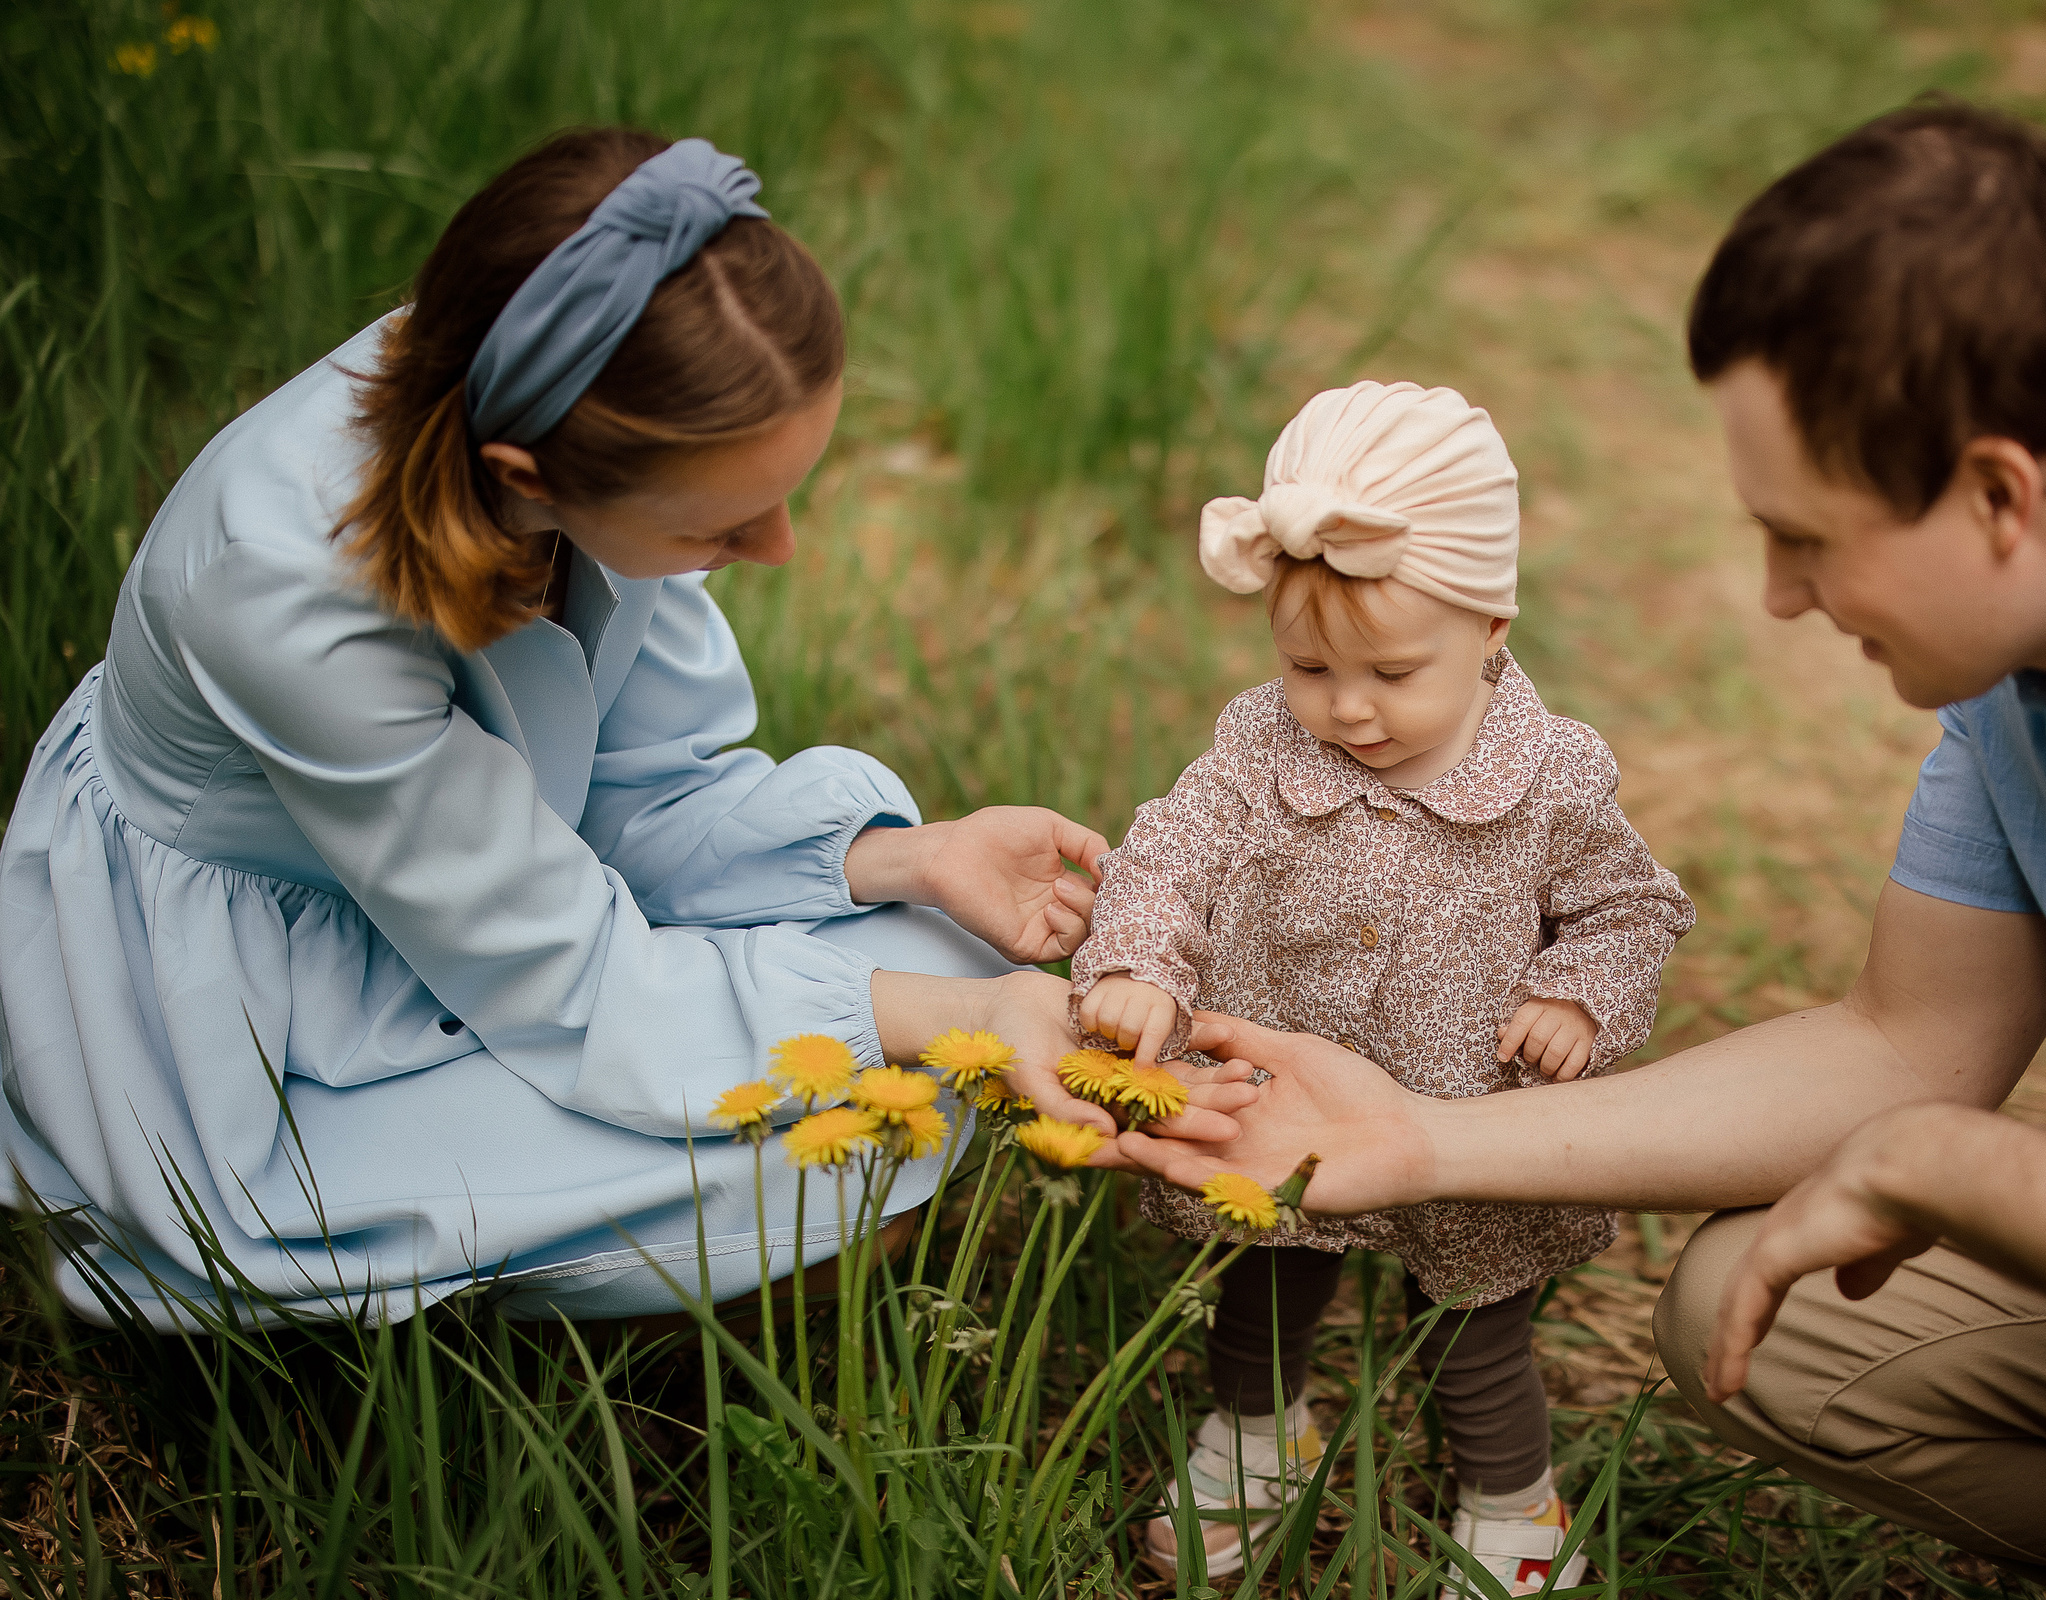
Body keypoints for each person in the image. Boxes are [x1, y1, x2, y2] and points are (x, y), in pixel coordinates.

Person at [1115, 102, 2046, 1600]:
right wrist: (1429, 1141)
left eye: (1806, 538)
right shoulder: (2045, 623)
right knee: (1769, 1312)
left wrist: (1945, 1163)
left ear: (1997, 493)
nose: (1780, 596)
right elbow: (1905, 1043)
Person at [0, 128, 1244, 1331]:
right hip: (262, 1009)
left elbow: (630, 793)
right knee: (848, 1133)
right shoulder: (290, 602)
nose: (774, 550)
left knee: (947, 950)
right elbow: (574, 984)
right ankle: (550, 1295)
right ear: (530, 478)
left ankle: (668, 1237)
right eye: (722, 524)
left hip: (491, 910)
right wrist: (947, 1020)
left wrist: (900, 860)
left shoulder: (572, 399)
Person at [1070, 381, 1692, 1600]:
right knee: (1267, 1271)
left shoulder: (1551, 776)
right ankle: (1259, 1436)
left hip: (1469, 1113)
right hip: (1283, 1096)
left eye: (1391, 674)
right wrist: (1137, 961)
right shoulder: (1254, 748)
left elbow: (1631, 906)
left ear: (1491, 628)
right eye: (1309, 668)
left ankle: (1512, 1502)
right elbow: (1165, 856)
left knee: (1472, 1321)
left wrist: (1577, 991)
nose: (1347, 708)